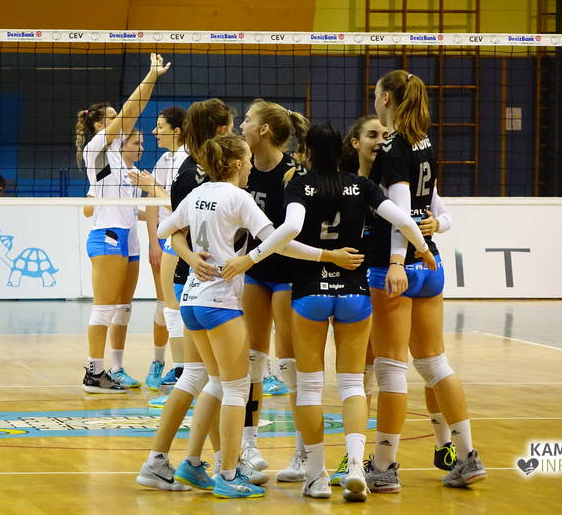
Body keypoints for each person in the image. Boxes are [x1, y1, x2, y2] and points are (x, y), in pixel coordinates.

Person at [222, 123, 435, 502]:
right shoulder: (361, 185)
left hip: (310, 293)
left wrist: (251, 258)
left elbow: (290, 228)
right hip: (354, 293)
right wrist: (421, 249)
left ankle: (317, 475)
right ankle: (355, 468)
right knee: (352, 385)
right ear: (340, 151)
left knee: (309, 386)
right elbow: (403, 219)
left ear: (305, 153)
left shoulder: (299, 186)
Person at [157, 133, 365, 498]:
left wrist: (190, 258)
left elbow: (165, 231)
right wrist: (326, 256)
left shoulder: (198, 193)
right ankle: (227, 474)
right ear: (237, 163)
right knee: (236, 389)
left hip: (191, 299)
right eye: (248, 161)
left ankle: (192, 462)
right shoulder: (238, 198)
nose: (252, 167)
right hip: (220, 301)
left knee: (213, 383)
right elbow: (281, 241)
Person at [365, 69, 486, 492]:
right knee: (434, 364)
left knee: (391, 368)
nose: (374, 99)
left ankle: (383, 467)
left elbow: (400, 213)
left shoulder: (395, 147)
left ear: (386, 100)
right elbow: (434, 209)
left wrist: (397, 262)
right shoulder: (425, 143)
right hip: (431, 264)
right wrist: (436, 228)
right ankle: (468, 457)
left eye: (377, 94)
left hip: (394, 267)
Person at [330, 114, 456, 486]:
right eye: (372, 135)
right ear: (355, 142)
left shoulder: (400, 172)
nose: (380, 140)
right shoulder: (348, 184)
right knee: (365, 373)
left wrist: (436, 225)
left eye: (384, 134)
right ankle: (355, 457)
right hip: (363, 282)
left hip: (394, 277)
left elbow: (441, 212)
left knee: (425, 362)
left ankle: (444, 443)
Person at [134, 98, 233, 491]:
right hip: (200, 282)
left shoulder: (201, 167)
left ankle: (213, 462)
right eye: (232, 126)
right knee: (209, 377)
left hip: (198, 279)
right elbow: (174, 231)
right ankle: (177, 461)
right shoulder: (195, 173)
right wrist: (192, 258)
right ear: (222, 130)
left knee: (205, 377)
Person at [76, 52, 170, 393]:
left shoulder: (118, 157)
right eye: (112, 118)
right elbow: (132, 111)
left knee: (122, 308)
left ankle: (114, 368)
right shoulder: (96, 150)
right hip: (106, 236)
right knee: (104, 308)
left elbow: (134, 111)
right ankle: (93, 372)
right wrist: (151, 76)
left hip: (127, 236)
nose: (121, 121)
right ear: (98, 126)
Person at [237, 99, 309, 483]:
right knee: (251, 359)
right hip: (255, 273)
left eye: (247, 120)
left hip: (289, 275)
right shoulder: (243, 171)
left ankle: (303, 451)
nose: (241, 125)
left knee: (289, 364)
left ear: (264, 130)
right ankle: (248, 445)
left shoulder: (292, 174)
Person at [143, 107, 189, 395]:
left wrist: (152, 187)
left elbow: (179, 208)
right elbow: (153, 202)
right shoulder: (164, 160)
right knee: (165, 304)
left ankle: (184, 368)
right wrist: (153, 243)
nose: (154, 132)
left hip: (182, 238)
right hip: (164, 239)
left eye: (160, 126)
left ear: (177, 131)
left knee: (178, 305)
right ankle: (162, 363)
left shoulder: (187, 161)